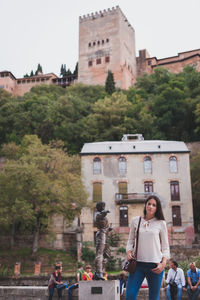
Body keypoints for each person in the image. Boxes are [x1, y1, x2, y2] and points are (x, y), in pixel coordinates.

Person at [125, 195, 170, 300]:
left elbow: (165, 247)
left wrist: (163, 264)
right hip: (137, 265)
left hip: (155, 266)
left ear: (157, 208)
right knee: (130, 296)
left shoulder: (161, 223)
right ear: (145, 205)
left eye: (154, 205)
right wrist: (128, 252)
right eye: (149, 203)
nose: (150, 206)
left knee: (154, 298)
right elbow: (130, 240)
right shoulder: (135, 221)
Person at [93, 201, 112, 280]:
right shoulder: (98, 214)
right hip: (101, 235)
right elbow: (102, 215)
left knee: (107, 255)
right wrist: (105, 212)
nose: (104, 207)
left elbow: (104, 226)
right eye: (102, 206)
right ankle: (98, 272)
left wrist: (109, 228)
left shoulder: (102, 215)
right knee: (99, 253)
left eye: (104, 206)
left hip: (105, 234)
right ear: (99, 207)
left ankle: (101, 269)